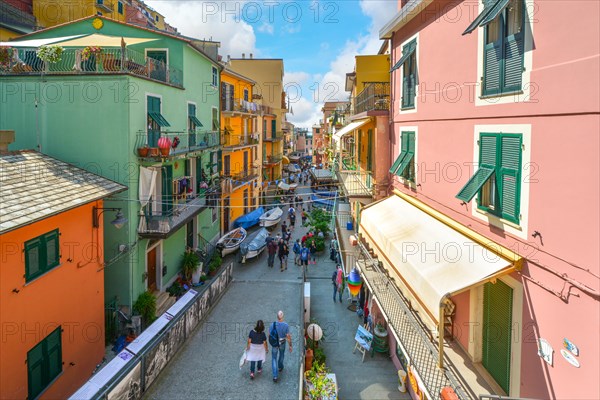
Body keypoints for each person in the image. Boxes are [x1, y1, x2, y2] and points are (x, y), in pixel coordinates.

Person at [270, 311, 292, 383]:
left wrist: (271, 342)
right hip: (282, 343)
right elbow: (288, 337)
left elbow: (269, 335)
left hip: (274, 344)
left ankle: (275, 376)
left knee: (274, 358)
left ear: (277, 317)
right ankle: (280, 366)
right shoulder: (286, 325)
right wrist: (290, 345)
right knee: (281, 354)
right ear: (283, 317)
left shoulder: (272, 325)